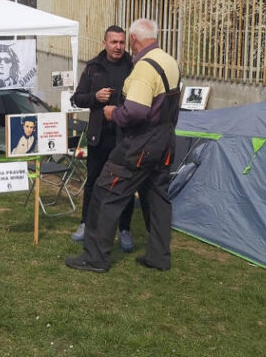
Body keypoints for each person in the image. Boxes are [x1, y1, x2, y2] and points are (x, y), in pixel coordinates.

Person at [65, 18, 181, 273]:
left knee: (104, 192)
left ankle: (95, 257)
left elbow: (136, 112)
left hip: (140, 143)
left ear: (133, 40)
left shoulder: (143, 68)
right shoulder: (169, 61)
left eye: (123, 40)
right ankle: (159, 256)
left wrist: (113, 113)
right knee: (158, 199)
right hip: (166, 141)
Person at [69, 25, 136, 252]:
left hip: (124, 137)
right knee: (94, 182)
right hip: (98, 137)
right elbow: (77, 98)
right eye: (114, 42)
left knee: (125, 184)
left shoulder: (133, 67)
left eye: (121, 42)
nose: (118, 47)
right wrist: (95, 97)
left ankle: (124, 229)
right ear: (104, 43)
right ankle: (86, 223)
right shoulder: (93, 68)